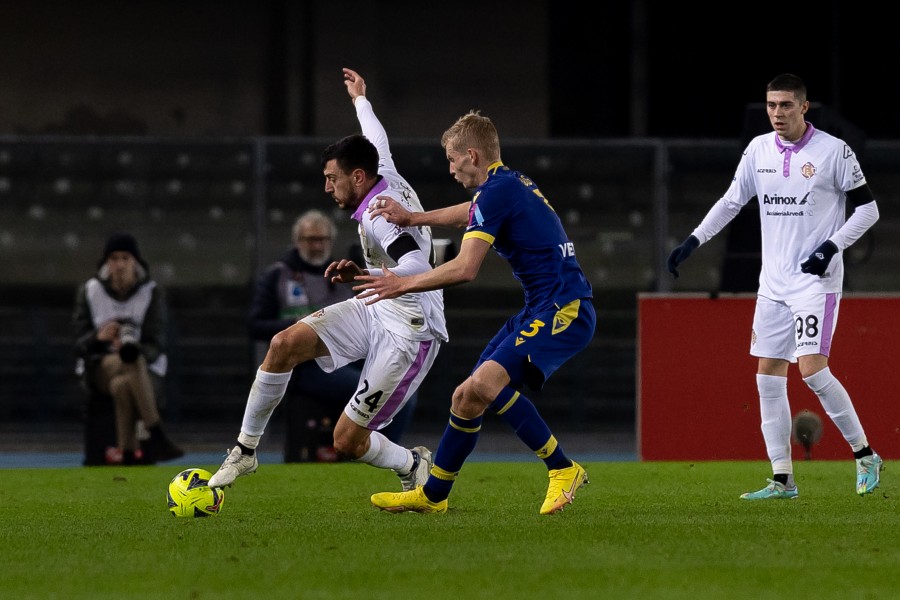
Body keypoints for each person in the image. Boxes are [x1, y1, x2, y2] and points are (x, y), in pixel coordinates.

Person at [208, 68, 447, 491]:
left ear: (358, 177)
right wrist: (360, 99)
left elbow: (419, 267)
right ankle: (245, 451)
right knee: (283, 344)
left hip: (410, 331)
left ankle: (411, 464)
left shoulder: (379, 216)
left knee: (346, 441)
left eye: (331, 178)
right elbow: (376, 134)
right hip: (378, 302)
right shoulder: (382, 168)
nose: (326, 187)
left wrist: (382, 277)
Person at [357, 110, 596, 515]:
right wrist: (414, 217)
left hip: (564, 306)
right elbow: (469, 213)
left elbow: (465, 269)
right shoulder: (507, 183)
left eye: (453, 160)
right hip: (542, 304)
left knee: (484, 385)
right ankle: (433, 495)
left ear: (472, 155)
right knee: (466, 397)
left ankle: (562, 468)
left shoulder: (497, 192)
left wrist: (402, 282)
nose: (450, 168)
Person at [666, 73, 883, 500]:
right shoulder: (758, 150)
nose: (777, 113)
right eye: (771, 105)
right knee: (767, 377)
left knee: (812, 370)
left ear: (804, 107)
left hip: (814, 284)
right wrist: (693, 240)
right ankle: (783, 478)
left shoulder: (833, 152)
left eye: (785, 105)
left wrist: (831, 246)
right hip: (773, 285)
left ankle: (865, 454)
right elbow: (732, 201)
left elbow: (869, 210)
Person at [249, 208, 418, 461]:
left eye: (322, 239)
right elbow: (254, 325)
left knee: (404, 392)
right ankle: (365, 454)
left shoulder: (343, 272)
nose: (317, 246)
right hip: (306, 366)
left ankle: (381, 454)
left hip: (350, 354)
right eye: (311, 240)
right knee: (369, 389)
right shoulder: (277, 275)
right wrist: (294, 324)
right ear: (298, 241)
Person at [73, 233, 184, 465]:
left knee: (123, 383)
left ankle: (126, 452)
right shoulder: (90, 291)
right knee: (129, 361)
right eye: (114, 258)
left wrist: (135, 348)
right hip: (100, 365)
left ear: (135, 261)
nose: (120, 264)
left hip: (140, 367)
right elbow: (78, 343)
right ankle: (156, 433)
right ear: (106, 262)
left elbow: (157, 342)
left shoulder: (151, 292)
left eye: (125, 258)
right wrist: (98, 337)